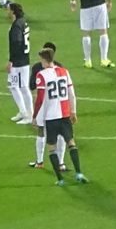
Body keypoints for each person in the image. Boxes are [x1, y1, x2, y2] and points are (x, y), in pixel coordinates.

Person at [30, 47, 87, 185]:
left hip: (51, 117)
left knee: (51, 148)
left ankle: (60, 180)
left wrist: (35, 116)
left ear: (44, 60)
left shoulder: (41, 75)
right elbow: (71, 94)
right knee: (71, 143)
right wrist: (73, 111)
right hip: (65, 114)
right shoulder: (64, 71)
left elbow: (40, 98)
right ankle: (79, 173)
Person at [6, 3, 34, 125]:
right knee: (13, 86)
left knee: (23, 87)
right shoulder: (23, 22)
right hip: (23, 59)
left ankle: (30, 115)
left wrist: (11, 61)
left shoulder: (17, 26)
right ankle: (23, 111)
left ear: (13, 11)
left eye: (8, 10)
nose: (6, 12)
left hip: (19, 62)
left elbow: (17, 42)